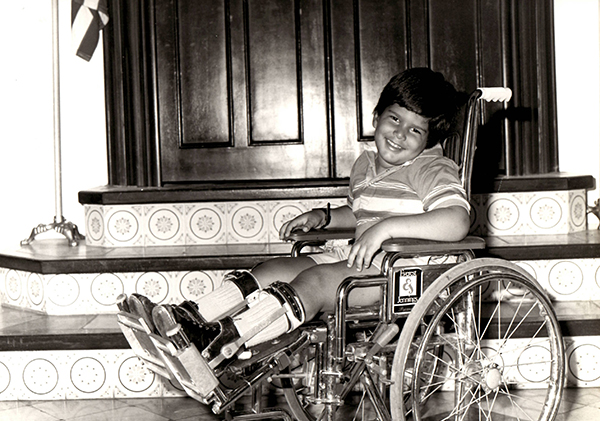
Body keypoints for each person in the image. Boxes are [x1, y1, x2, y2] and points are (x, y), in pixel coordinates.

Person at [118, 67, 471, 364]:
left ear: (428, 140)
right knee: (270, 270)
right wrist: (324, 217)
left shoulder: (431, 168)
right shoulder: (365, 165)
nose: (400, 134)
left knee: (313, 282)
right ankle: (190, 320)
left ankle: (221, 340)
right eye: (395, 119)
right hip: (358, 258)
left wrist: (386, 229)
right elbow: (361, 214)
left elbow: (457, 220)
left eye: (415, 129)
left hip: (400, 272)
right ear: (377, 117)